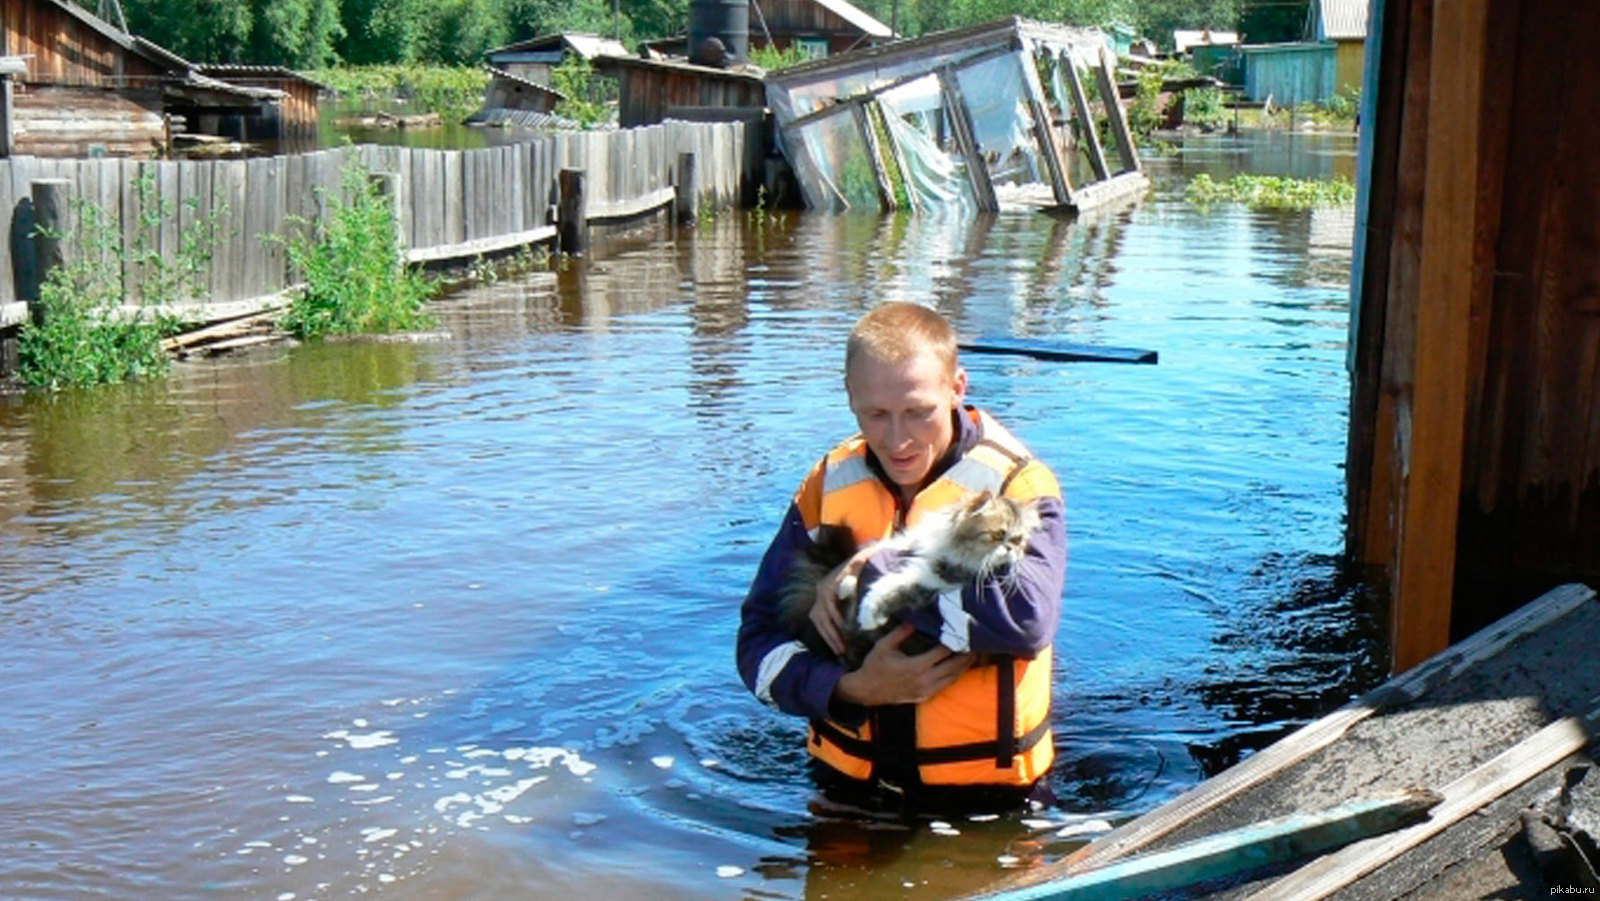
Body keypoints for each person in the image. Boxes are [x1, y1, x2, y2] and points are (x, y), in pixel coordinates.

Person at [736, 302, 1067, 811]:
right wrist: (849, 690)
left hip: (989, 802)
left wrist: (873, 574)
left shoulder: (1019, 486)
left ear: (957, 388)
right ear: (850, 396)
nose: (898, 439)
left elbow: (1026, 622)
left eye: (917, 412)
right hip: (842, 788)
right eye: (876, 414)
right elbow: (757, 645)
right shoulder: (827, 484)